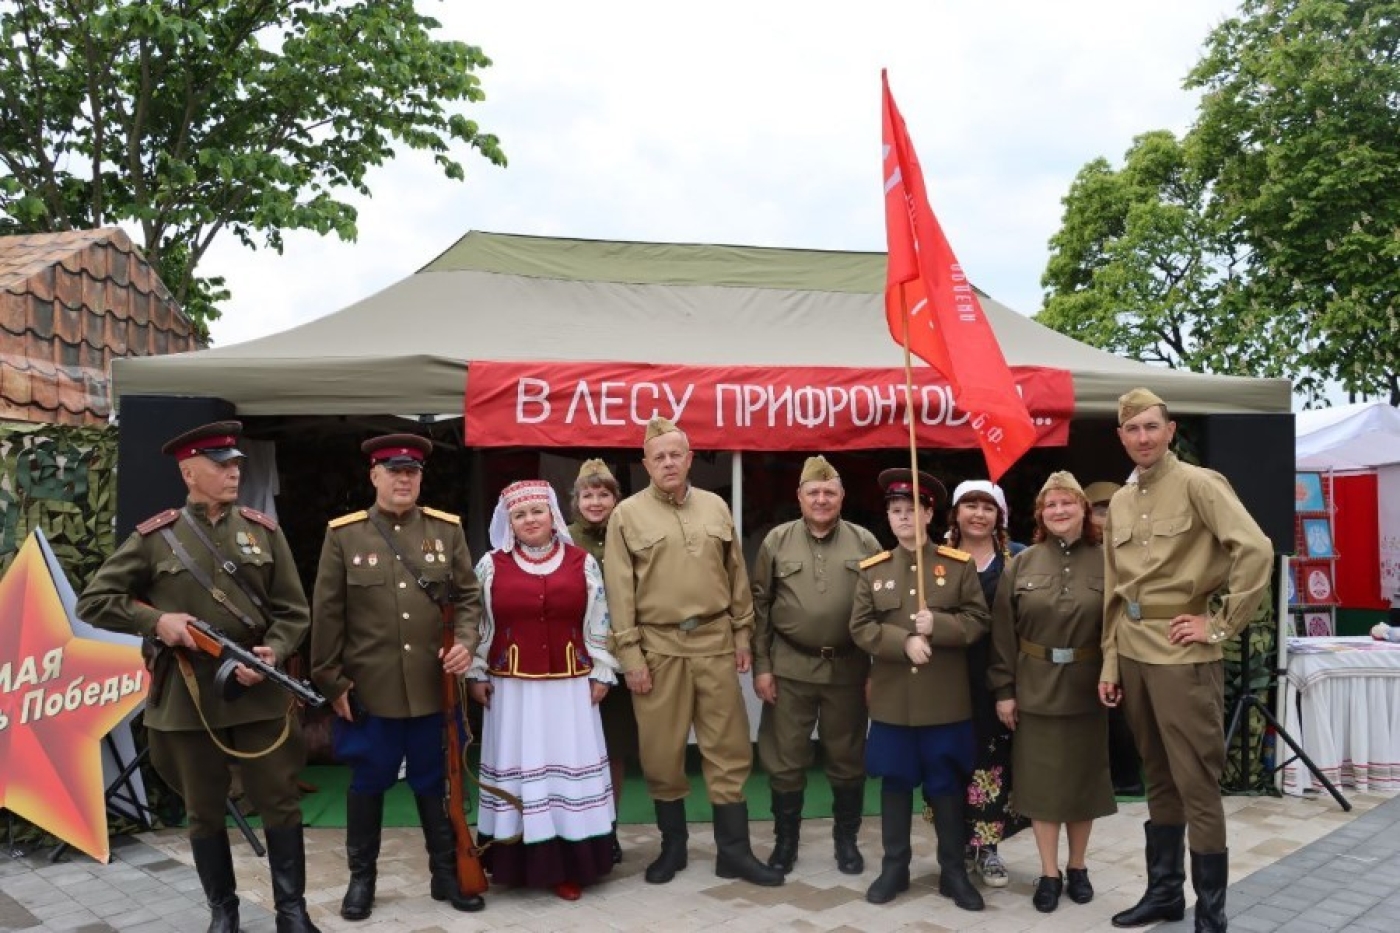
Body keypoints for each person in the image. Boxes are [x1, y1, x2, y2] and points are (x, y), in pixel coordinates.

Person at [76, 421, 320, 933]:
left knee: (279, 801)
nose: (234, 472)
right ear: (189, 472)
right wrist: (156, 622)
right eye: (221, 464)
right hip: (187, 695)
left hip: (256, 691)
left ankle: (292, 913)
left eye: (236, 464)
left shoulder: (262, 531)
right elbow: (95, 600)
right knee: (205, 810)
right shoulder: (154, 538)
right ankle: (223, 913)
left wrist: (272, 653)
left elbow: (294, 611)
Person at [1099, 389, 1273, 933]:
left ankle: (1212, 914)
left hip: (1183, 654)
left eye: (1152, 427)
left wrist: (1219, 623)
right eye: (1133, 430)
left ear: (1170, 430)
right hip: (1131, 649)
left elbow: (1256, 549)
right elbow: (1113, 588)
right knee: (1158, 778)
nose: (1143, 438)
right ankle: (1165, 895)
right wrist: (1109, 661)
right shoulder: (1121, 502)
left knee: (1196, 781)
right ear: (1122, 437)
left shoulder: (1200, 483)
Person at [603, 417, 783, 888]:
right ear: (645, 463)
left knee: (728, 746)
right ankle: (673, 848)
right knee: (661, 752)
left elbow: (735, 575)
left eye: (675, 454)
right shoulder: (627, 515)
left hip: (715, 640)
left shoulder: (716, 507)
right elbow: (618, 592)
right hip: (658, 646)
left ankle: (735, 853)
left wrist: (743, 635)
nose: (667, 463)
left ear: (689, 458)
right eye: (658, 456)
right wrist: (631, 657)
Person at [310, 434, 484, 920]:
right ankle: (361, 880)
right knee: (368, 783)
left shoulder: (445, 531)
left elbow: (469, 598)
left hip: (434, 686)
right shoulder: (345, 535)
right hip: (370, 690)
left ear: (421, 476)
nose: (404, 479)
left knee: (435, 782)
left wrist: (465, 642)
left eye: (412, 471)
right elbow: (327, 615)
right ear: (374, 476)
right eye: (393, 471)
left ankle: (445, 875)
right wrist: (332, 681)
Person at [466, 479, 617, 900]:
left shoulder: (582, 562)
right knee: (521, 764)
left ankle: (571, 865)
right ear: (509, 522)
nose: (530, 520)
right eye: (520, 514)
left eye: (537, 512)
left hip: (570, 688)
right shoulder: (491, 565)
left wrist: (602, 670)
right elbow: (478, 623)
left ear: (552, 515)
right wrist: (476, 672)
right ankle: (516, 861)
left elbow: (599, 617)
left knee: (566, 765)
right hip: (511, 690)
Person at [850, 468, 989, 911]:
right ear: (888, 518)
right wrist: (902, 641)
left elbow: (977, 622)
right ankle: (895, 867)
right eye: (896, 511)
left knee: (946, 785)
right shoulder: (873, 571)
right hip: (893, 704)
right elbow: (860, 627)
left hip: (945, 703)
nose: (904, 518)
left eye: (913, 509)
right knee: (894, 784)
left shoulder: (957, 566)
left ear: (930, 512)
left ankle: (953, 870)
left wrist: (941, 626)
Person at [990, 471, 1116, 913]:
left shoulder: (1108, 560)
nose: (1060, 511)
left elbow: (1119, 628)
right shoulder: (1021, 564)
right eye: (1051, 505)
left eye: (1068, 502)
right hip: (1035, 687)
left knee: (1082, 782)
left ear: (1084, 508)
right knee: (1042, 786)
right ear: (1041, 514)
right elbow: (1003, 635)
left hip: (1088, 687)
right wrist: (1004, 690)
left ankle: (1077, 867)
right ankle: (1049, 872)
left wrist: (1115, 675)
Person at [751, 455, 882, 875]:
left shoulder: (866, 542)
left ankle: (846, 842)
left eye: (829, 492)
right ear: (800, 497)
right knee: (785, 759)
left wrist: (876, 671)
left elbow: (884, 611)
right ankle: (785, 842)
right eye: (814, 492)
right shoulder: (777, 541)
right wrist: (762, 665)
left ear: (842, 496)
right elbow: (760, 607)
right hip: (790, 667)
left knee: (847, 759)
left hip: (849, 668)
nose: (822, 499)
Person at [943, 479, 1027, 890]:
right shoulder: (934, 559)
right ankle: (956, 844)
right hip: (946, 677)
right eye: (970, 505)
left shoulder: (1018, 560)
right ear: (956, 513)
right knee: (950, 760)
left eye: (988, 507)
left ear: (1000, 516)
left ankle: (989, 847)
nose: (978, 514)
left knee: (994, 764)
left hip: (998, 679)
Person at [566, 458, 634, 865]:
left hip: (620, 658)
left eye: (604, 493)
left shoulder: (630, 535)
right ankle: (576, 831)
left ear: (616, 499)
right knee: (575, 750)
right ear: (575, 501)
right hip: (573, 660)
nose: (595, 501)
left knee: (613, 749)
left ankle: (608, 828)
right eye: (588, 494)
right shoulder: (562, 538)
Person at [1086, 480, 1144, 798]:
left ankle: (1127, 775)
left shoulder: (1131, 548)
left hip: (1123, 639)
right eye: (1099, 510)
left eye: (1112, 510)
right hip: (1086, 640)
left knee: (1119, 712)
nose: (1105, 518)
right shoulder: (1082, 551)